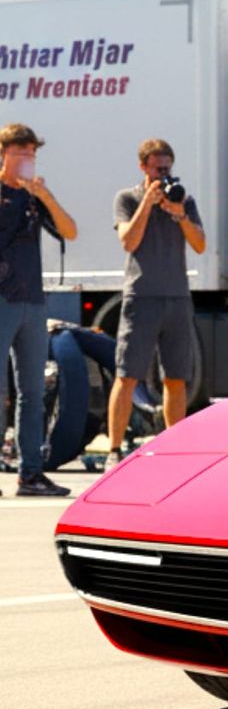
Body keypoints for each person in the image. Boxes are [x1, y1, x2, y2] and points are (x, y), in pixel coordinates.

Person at [106, 140, 205, 465]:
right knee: (128, 374)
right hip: (142, 296)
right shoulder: (127, 198)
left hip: (176, 297)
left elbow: (200, 245)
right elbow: (128, 241)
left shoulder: (183, 200)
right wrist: (147, 204)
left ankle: (173, 449)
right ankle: (114, 450)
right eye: (157, 168)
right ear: (144, 167)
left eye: (167, 168)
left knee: (176, 377)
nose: (164, 175)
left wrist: (179, 215)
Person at [0, 122, 77, 497]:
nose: (27, 160)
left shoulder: (34, 198)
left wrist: (44, 195)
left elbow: (70, 230)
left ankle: (31, 473)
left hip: (32, 301)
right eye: (21, 153)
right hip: (2, 300)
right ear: (4, 155)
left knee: (32, 390)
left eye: (31, 153)